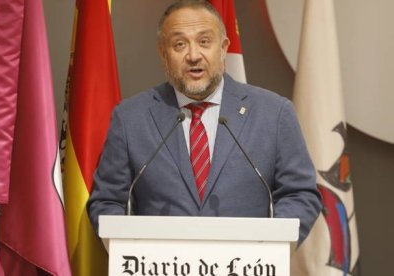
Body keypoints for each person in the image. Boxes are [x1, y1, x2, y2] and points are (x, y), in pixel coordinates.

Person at [87, 0, 321, 244]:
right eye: (179, 44)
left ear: (223, 48)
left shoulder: (273, 113)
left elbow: (300, 194)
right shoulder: (130, 118)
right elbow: (107, 201)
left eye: (204, 42)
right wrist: (134, 247)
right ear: (163, 54)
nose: (193, 55)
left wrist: (269, 245)